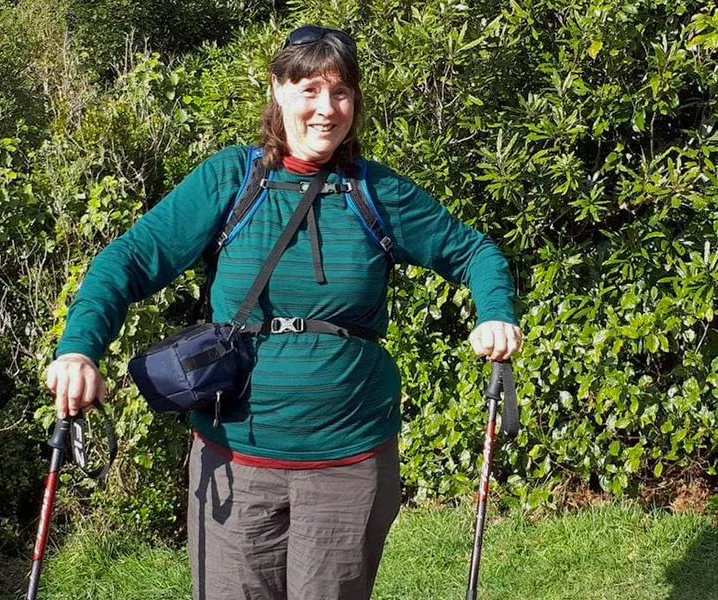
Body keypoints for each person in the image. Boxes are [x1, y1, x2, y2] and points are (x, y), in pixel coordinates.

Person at [46, 25, 522, 600]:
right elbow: (127, 260)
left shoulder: (377, 192)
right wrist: (79, 348)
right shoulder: (231, 179)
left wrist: (495, 313)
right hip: (233, 463)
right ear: (277, 89)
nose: (327, 109)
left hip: (349, 465)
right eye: (310, 89)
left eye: (341, 92)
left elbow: (476, 251)